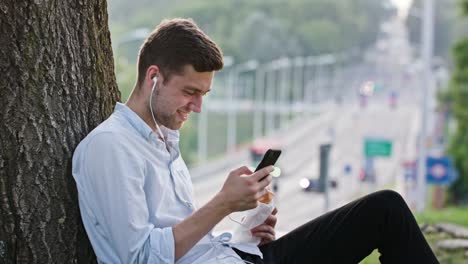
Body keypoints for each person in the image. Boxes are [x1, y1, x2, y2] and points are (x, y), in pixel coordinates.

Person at [72, 18, 439, 264]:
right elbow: (139, 259)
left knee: (384, 210)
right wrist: (221, 204)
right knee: (385, 212)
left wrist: (246, 231)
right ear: (154, 78)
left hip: (241, 257)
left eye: (204, 94)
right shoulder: (111, 147)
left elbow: (188, 244)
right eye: (190, 92)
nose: (197, 107)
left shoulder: (163, 142)